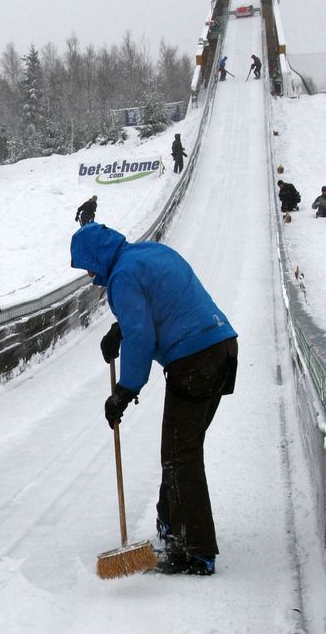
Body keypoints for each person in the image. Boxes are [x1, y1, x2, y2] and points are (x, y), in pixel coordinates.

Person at [70, 223, 238, 576]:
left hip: (194, 359)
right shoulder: (148, 253)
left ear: (98, 256)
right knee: (180, 449)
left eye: (87, 265)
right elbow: (162, 301)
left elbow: (141, 333)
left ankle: (194, 550)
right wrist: (119, 330)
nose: (89, 274)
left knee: (180, 455)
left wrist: (125, 390)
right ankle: (170, 525)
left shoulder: (122, 276)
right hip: (220, 347)